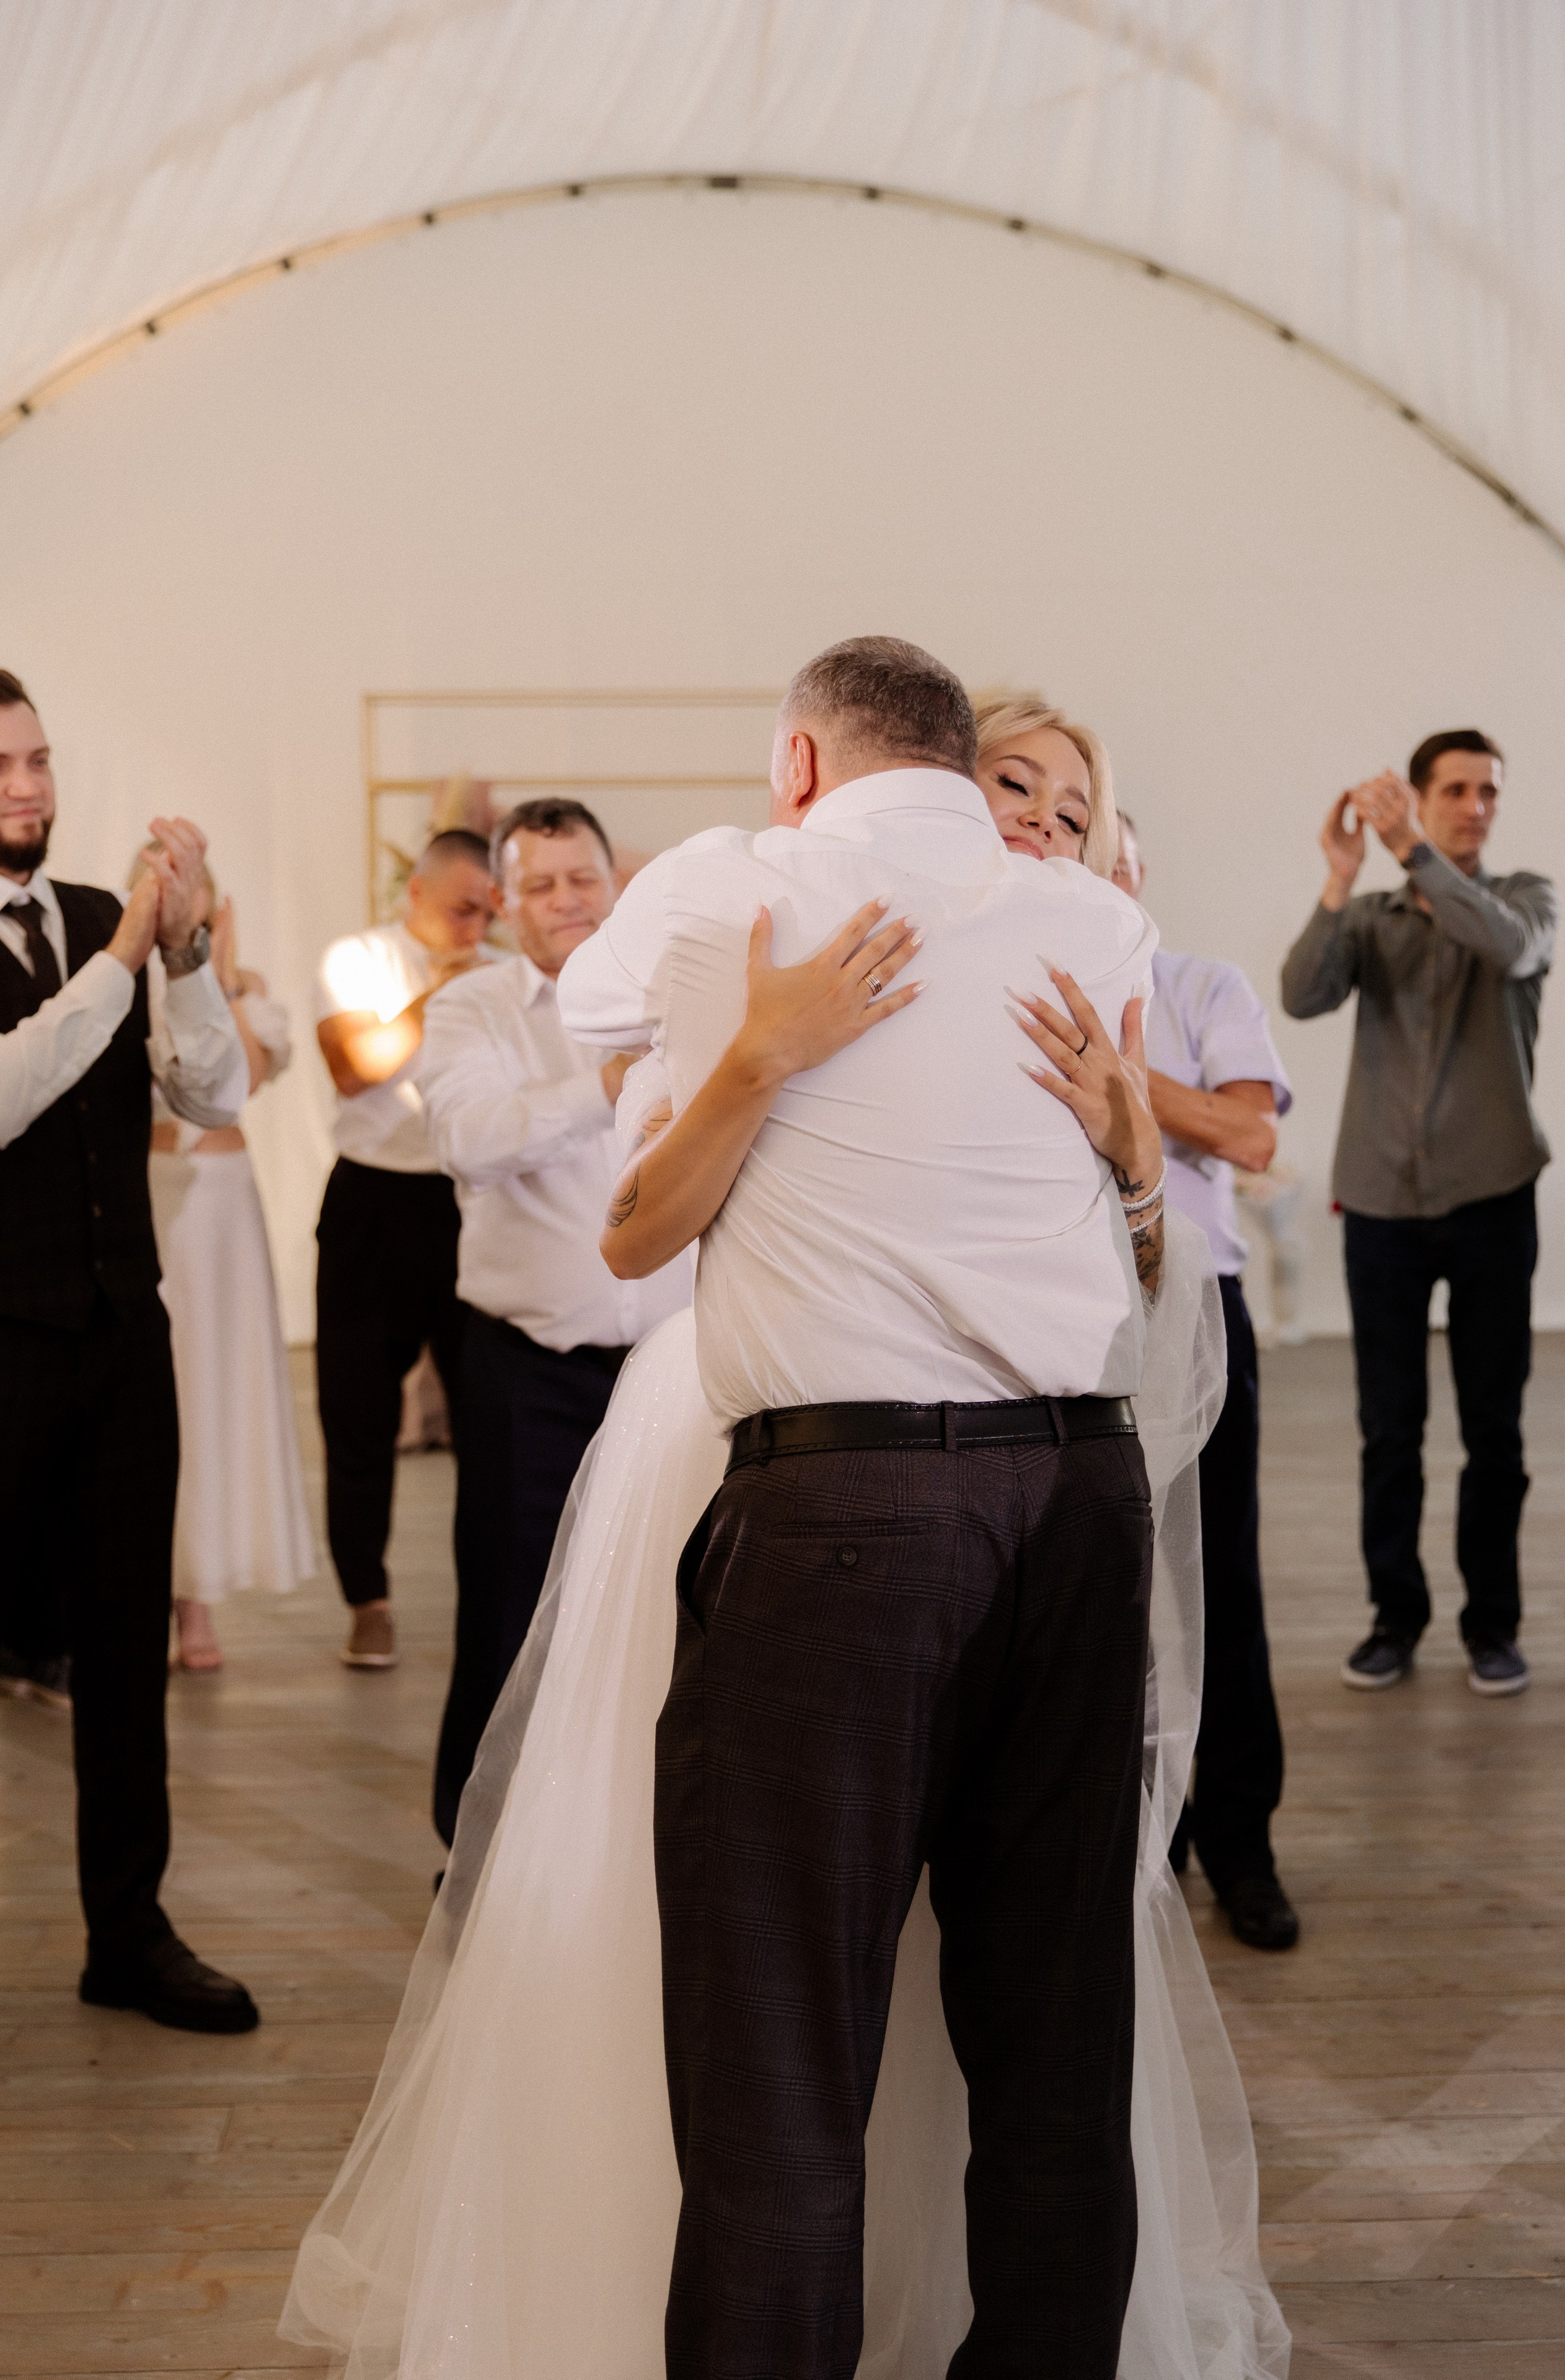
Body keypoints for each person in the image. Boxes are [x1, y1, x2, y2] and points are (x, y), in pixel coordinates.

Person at [281, 647, 1289, 2379]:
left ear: (801, 760)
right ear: (971, 768)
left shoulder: (730, 882)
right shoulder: (1090, 923)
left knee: (778, 2057)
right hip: (1080, 1498)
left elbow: (617, 1150)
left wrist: (750, 1048)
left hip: (849, 1504)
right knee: (1057, 2042)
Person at [0, 663, 258, 2034]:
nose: (26, 787)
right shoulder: (103, 945)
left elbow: (211, 1089)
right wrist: (123, 959)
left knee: (123, 1646)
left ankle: (128, 1934)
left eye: (35, 761)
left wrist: (187, 950)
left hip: (117, 1339)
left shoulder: (109, 924)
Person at [417, 798, 692, 1846]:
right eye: (539, 885)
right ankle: (475, 1848)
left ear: (613, 884)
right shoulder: (473, 1007)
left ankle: (620, 1842)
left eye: (582, 879)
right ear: (503, 899)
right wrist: (599, 1081)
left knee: (662, 1606)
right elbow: (470, 1138)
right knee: (508, 1607)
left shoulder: (678, 998)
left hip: (671, 1363)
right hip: (524, 1367)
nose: (565, 901)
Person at [1281, 731, 1556, 1698]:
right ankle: (1394, 1618)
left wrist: (1412, 854)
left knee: (1496, 1431)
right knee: (1388, 1429)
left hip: (1492, 1197)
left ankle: (1493, 1627)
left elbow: (1508, 946)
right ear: (1425, 794)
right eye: (1456, 789)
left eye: (1488, 790)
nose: (1476, 804)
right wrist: (1340, 875)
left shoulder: (1525, 899)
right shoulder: (1369, 916)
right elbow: (1301, 993)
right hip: (1384, 1205)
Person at [1108, 810, 1299, 1952]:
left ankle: (1240, 1843)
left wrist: (1123, 1077)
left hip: (1197, 1313)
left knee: (1218, 1578)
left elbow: (1251, 1136)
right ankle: (1138, 1843)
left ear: (1139, 874)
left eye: (1114, 857)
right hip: (1065, 1328)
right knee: (1096, 1592)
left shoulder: (1202, 985)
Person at [313, 830, 495, 1669]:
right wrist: (442, 995)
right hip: (373, 1200)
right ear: (416, 894)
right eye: (462, 908)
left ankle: (494, 1601)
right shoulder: (360, 956)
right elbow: (359, 1068)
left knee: (490, 1413)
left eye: (487, 910)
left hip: (468, 1199)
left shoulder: (503, 970)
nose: (474, 925)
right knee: (357, 1409)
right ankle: (368, 1600)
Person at [143, 868, 314, 1671]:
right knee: (167, 1387)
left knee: (220, 1384)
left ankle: (201, 1594)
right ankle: (166, 1593)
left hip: (227, 1199)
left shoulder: (245, 986)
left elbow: (234, 1080)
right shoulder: (123, 979)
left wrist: (220, 978)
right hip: (161, 1194)